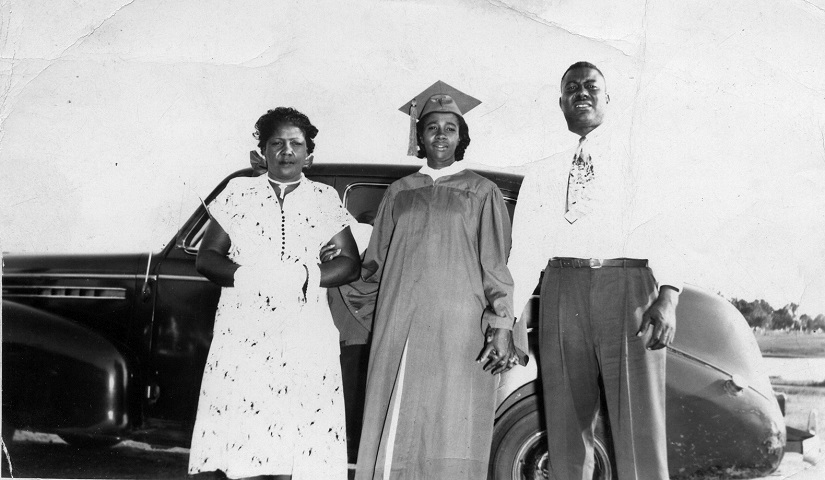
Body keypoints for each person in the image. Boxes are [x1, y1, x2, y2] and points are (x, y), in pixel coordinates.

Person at [338, 81, 526, 480]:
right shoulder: (399, 192)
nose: (441, 135)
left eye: (450, 128)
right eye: (432, 127)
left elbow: (496, 265)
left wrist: (501, 322)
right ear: (419, 137)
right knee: (397, 418)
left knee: (452, 422)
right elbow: (374, 264)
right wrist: (339, 268)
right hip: (401, 323)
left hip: (459, 328)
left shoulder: (482, 191)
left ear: (461, 137)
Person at [508, 62, 683, 479]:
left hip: (628, 290)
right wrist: (510, 314)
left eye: (591, 86)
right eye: (572, 88)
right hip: (562, 290)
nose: (581, 93)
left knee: (639, 427)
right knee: (566, 425)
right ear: (561, 102)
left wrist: (669, 296)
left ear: (608, 99)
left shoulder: (639, 159)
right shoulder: (543, 170)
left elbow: (670, 229)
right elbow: (526, 250)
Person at [187, 107, 360, 480]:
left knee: (298, 442)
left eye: (296, 144)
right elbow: (207, 257)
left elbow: (350, 264)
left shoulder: (325, 198)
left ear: (308, 155)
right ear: (262, 152)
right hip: (245, 329)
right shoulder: (238, 193)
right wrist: (248, 276)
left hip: (304, 330)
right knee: (247, 441)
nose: (286, 151)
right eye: (276, 143)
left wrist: (306, 274)